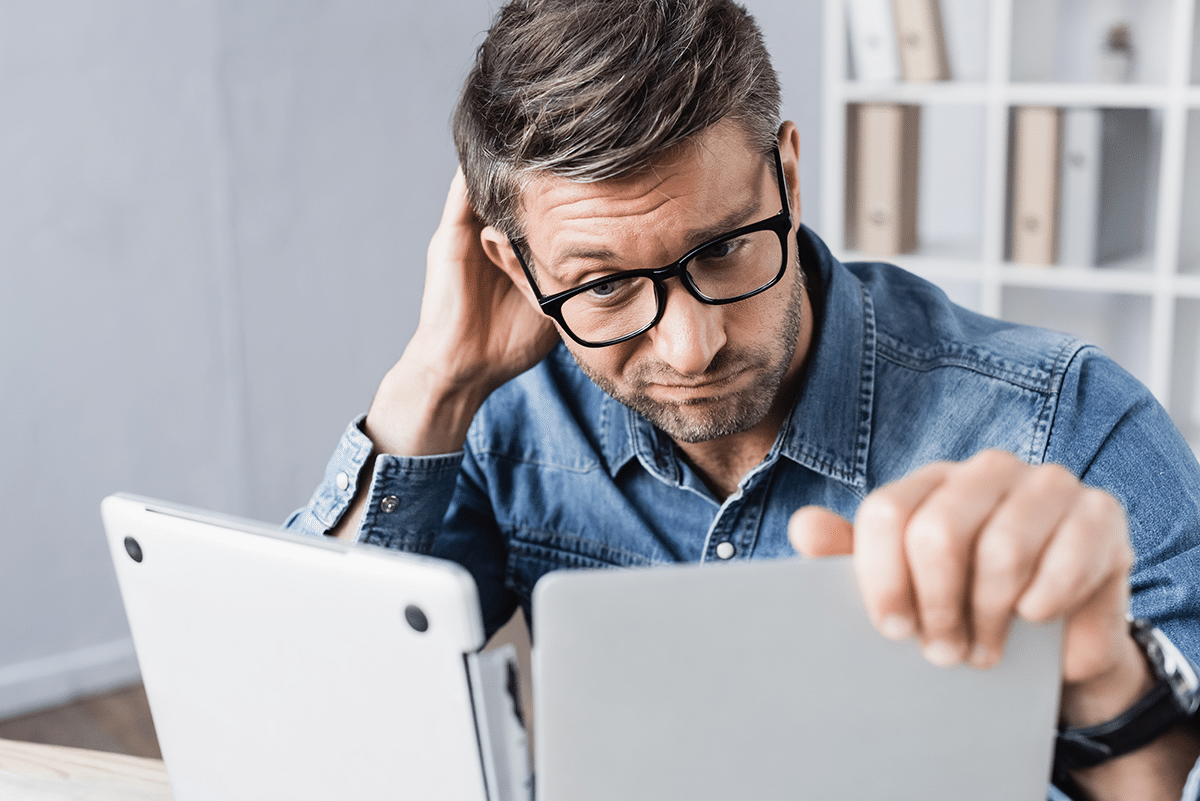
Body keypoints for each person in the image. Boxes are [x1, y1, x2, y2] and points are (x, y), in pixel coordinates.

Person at [286, 0, 1200, 797]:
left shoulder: (1069, 426)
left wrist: (1110, 686)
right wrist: (432, 381)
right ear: (515, 270)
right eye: (604, 286)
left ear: (788, 179)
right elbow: (313, 711)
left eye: (723, 249)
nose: (692, 345)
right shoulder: (508, 418)